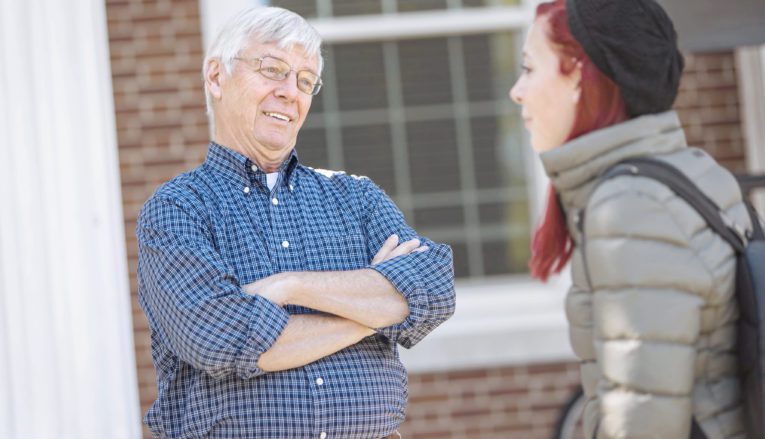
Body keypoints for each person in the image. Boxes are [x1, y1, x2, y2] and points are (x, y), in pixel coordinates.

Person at [136, 6, 455, 439]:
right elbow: (222, 339)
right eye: (272, 69)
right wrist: (373, 307)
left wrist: (291, 287)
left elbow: (434, 289)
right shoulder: (178, 211)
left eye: (305, 80)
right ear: (216, 78)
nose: (290, 92)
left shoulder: (353, 197)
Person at [510, 0, 754, 438]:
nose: (517, 91)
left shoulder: (630, 209)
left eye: (529, 68)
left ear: (578, 76)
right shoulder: (690, 171)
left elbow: (645, 423)